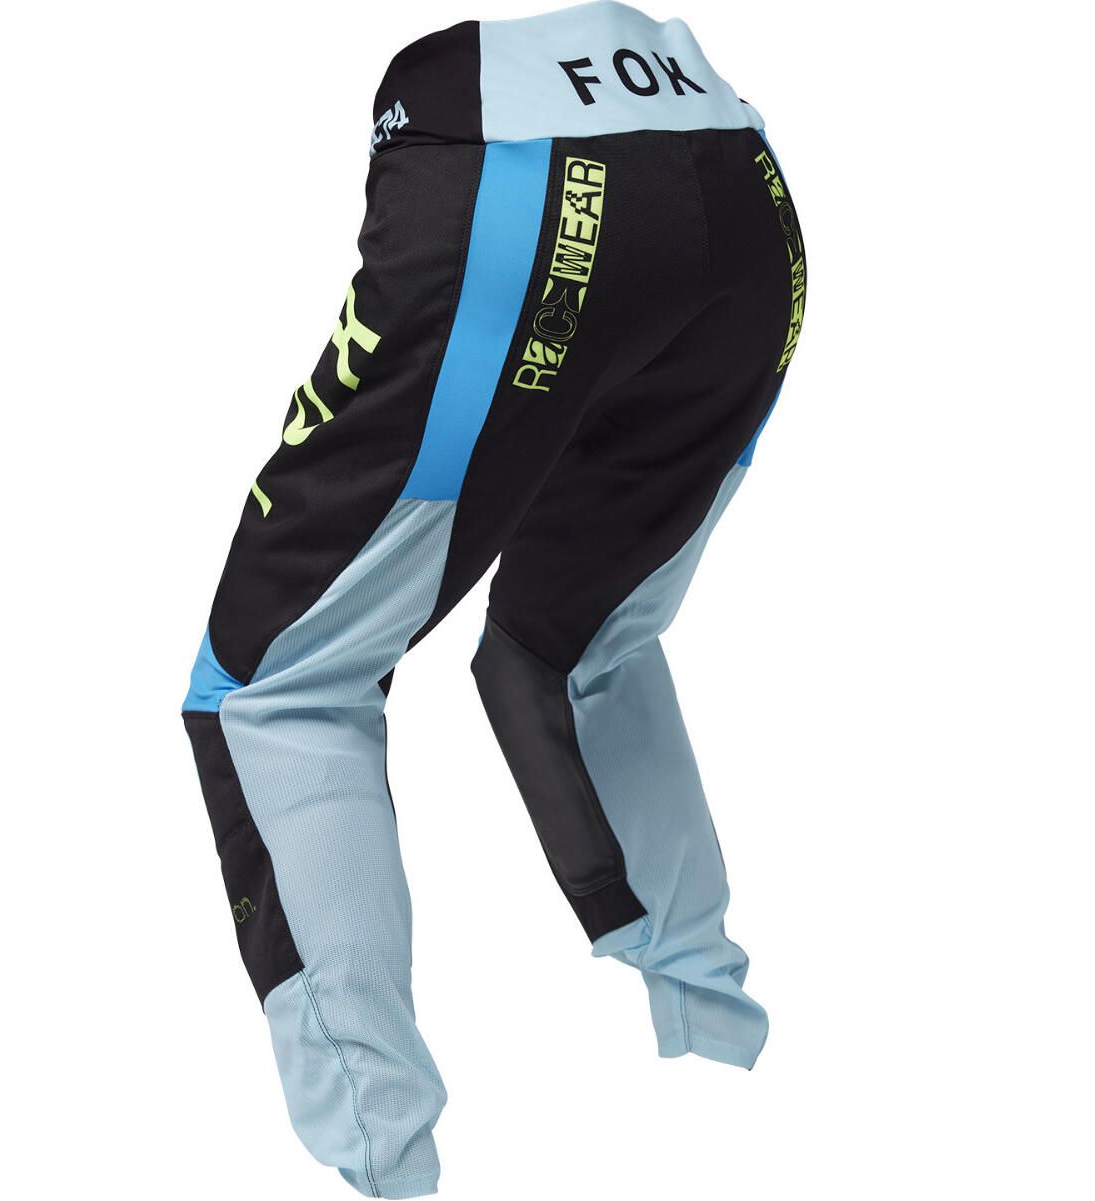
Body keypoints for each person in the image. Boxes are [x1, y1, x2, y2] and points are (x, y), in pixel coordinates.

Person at [182, 4, 806, 1195]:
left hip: (515, 165)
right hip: (738, 176)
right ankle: (714, 1034)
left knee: (271, 684)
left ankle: (383, 1161)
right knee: (572, 644)